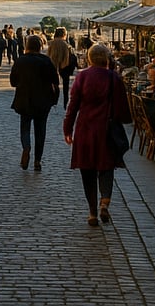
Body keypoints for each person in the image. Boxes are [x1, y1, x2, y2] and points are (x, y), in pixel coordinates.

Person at [63, 44, 131, 227]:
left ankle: (92, 212)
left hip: (85, 128)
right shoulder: (113, 78)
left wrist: (67, 129)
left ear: (90, 58)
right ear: (106, 58)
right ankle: (105, 201)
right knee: (106, 167)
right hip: (106, 130)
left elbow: (73, 106)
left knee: (87, 170)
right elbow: (122, 108)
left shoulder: (82, 76)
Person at [9, 34, 60, 171]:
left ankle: (26, 147)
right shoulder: (46, 61)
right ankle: (38, 160)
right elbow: (56, 82)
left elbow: (13, 82)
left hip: (25, 100)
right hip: (43, 101)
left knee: (25, 128)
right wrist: (55, 100)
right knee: (40, 130)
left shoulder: (20, 61)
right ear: (40, 46)